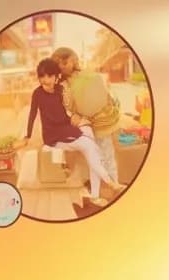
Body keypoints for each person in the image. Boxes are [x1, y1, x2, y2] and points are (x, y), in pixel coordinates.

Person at [22, 58, 123, 207]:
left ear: (55, 77)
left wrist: (80, 119)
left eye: (49, 76)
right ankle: (110, 183)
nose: (46, 80)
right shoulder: (37, 94)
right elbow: (32, 115)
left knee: (92, 149)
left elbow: (69, 110)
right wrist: (27, 136)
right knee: (90, 147)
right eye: (42, 76)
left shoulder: (61, 90)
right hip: (53, 135)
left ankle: (96, 195)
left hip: (66, 128)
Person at [51, 47, 123, 191]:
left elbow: (100, 95)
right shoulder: (62, 85)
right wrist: (74, 115)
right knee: (95, 158)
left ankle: (114, 185)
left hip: (102, 121)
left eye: (71, 60)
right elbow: (65, 107)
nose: (69, 65)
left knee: (107, 154)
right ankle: (103, 188)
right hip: (84, 126)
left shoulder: (88, 76)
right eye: (62, 63)